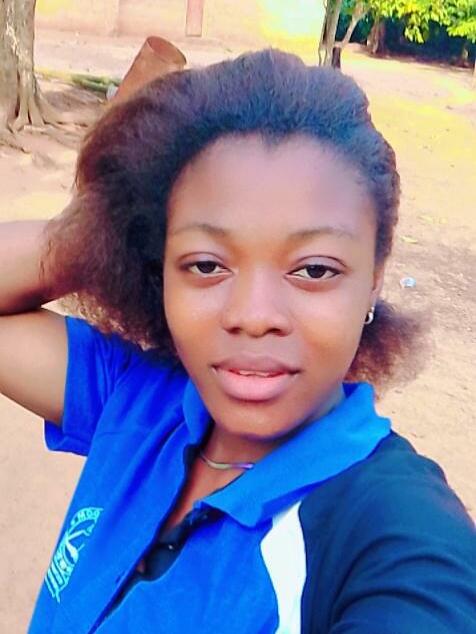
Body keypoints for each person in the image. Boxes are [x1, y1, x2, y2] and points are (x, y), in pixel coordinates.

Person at [0, 49, 474, 634]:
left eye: (314, 270)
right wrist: (102, 229)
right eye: (205, 265)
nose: (253, 317)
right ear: (161, 268)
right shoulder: (139, 400)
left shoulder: (387, 532)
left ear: (374, 278)